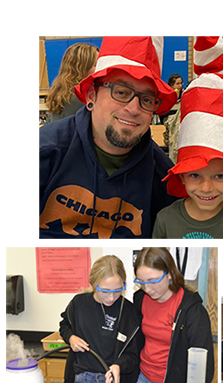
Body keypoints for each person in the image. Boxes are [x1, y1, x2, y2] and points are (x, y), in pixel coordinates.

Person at [40, 36, 179, 239]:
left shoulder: (161, 174)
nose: (133, 109)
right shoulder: (44, 152)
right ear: (91, 96)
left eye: (147, 100)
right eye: (121, 92)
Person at [153, 37, 223, 239]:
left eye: (219, 176)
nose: (206, 187)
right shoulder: (165, 221)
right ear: (182, 176)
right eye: (195, 175)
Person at [129, 247, 214, 383]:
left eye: (152, 281)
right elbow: (132, 341)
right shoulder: (140, 300)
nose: (147, 288)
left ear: (169, 274)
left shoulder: (192, 311)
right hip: (144, 381)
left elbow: (205, 368)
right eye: (141, 282)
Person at [59, 255, 141, 383]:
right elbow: (64, 325)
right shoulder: (79, 303)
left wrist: (119, 365)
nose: (111, 297)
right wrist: (71, 338)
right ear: (94, 283)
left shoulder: (129, 312)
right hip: (84, 379)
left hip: (112, 380)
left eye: (118, 290)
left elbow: (132, 354)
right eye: (105, 291)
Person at [46, 43, 99, 123]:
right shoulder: (80, 96)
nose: (100, 69)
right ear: (82, 68)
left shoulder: (60, 90)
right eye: (95, 65)